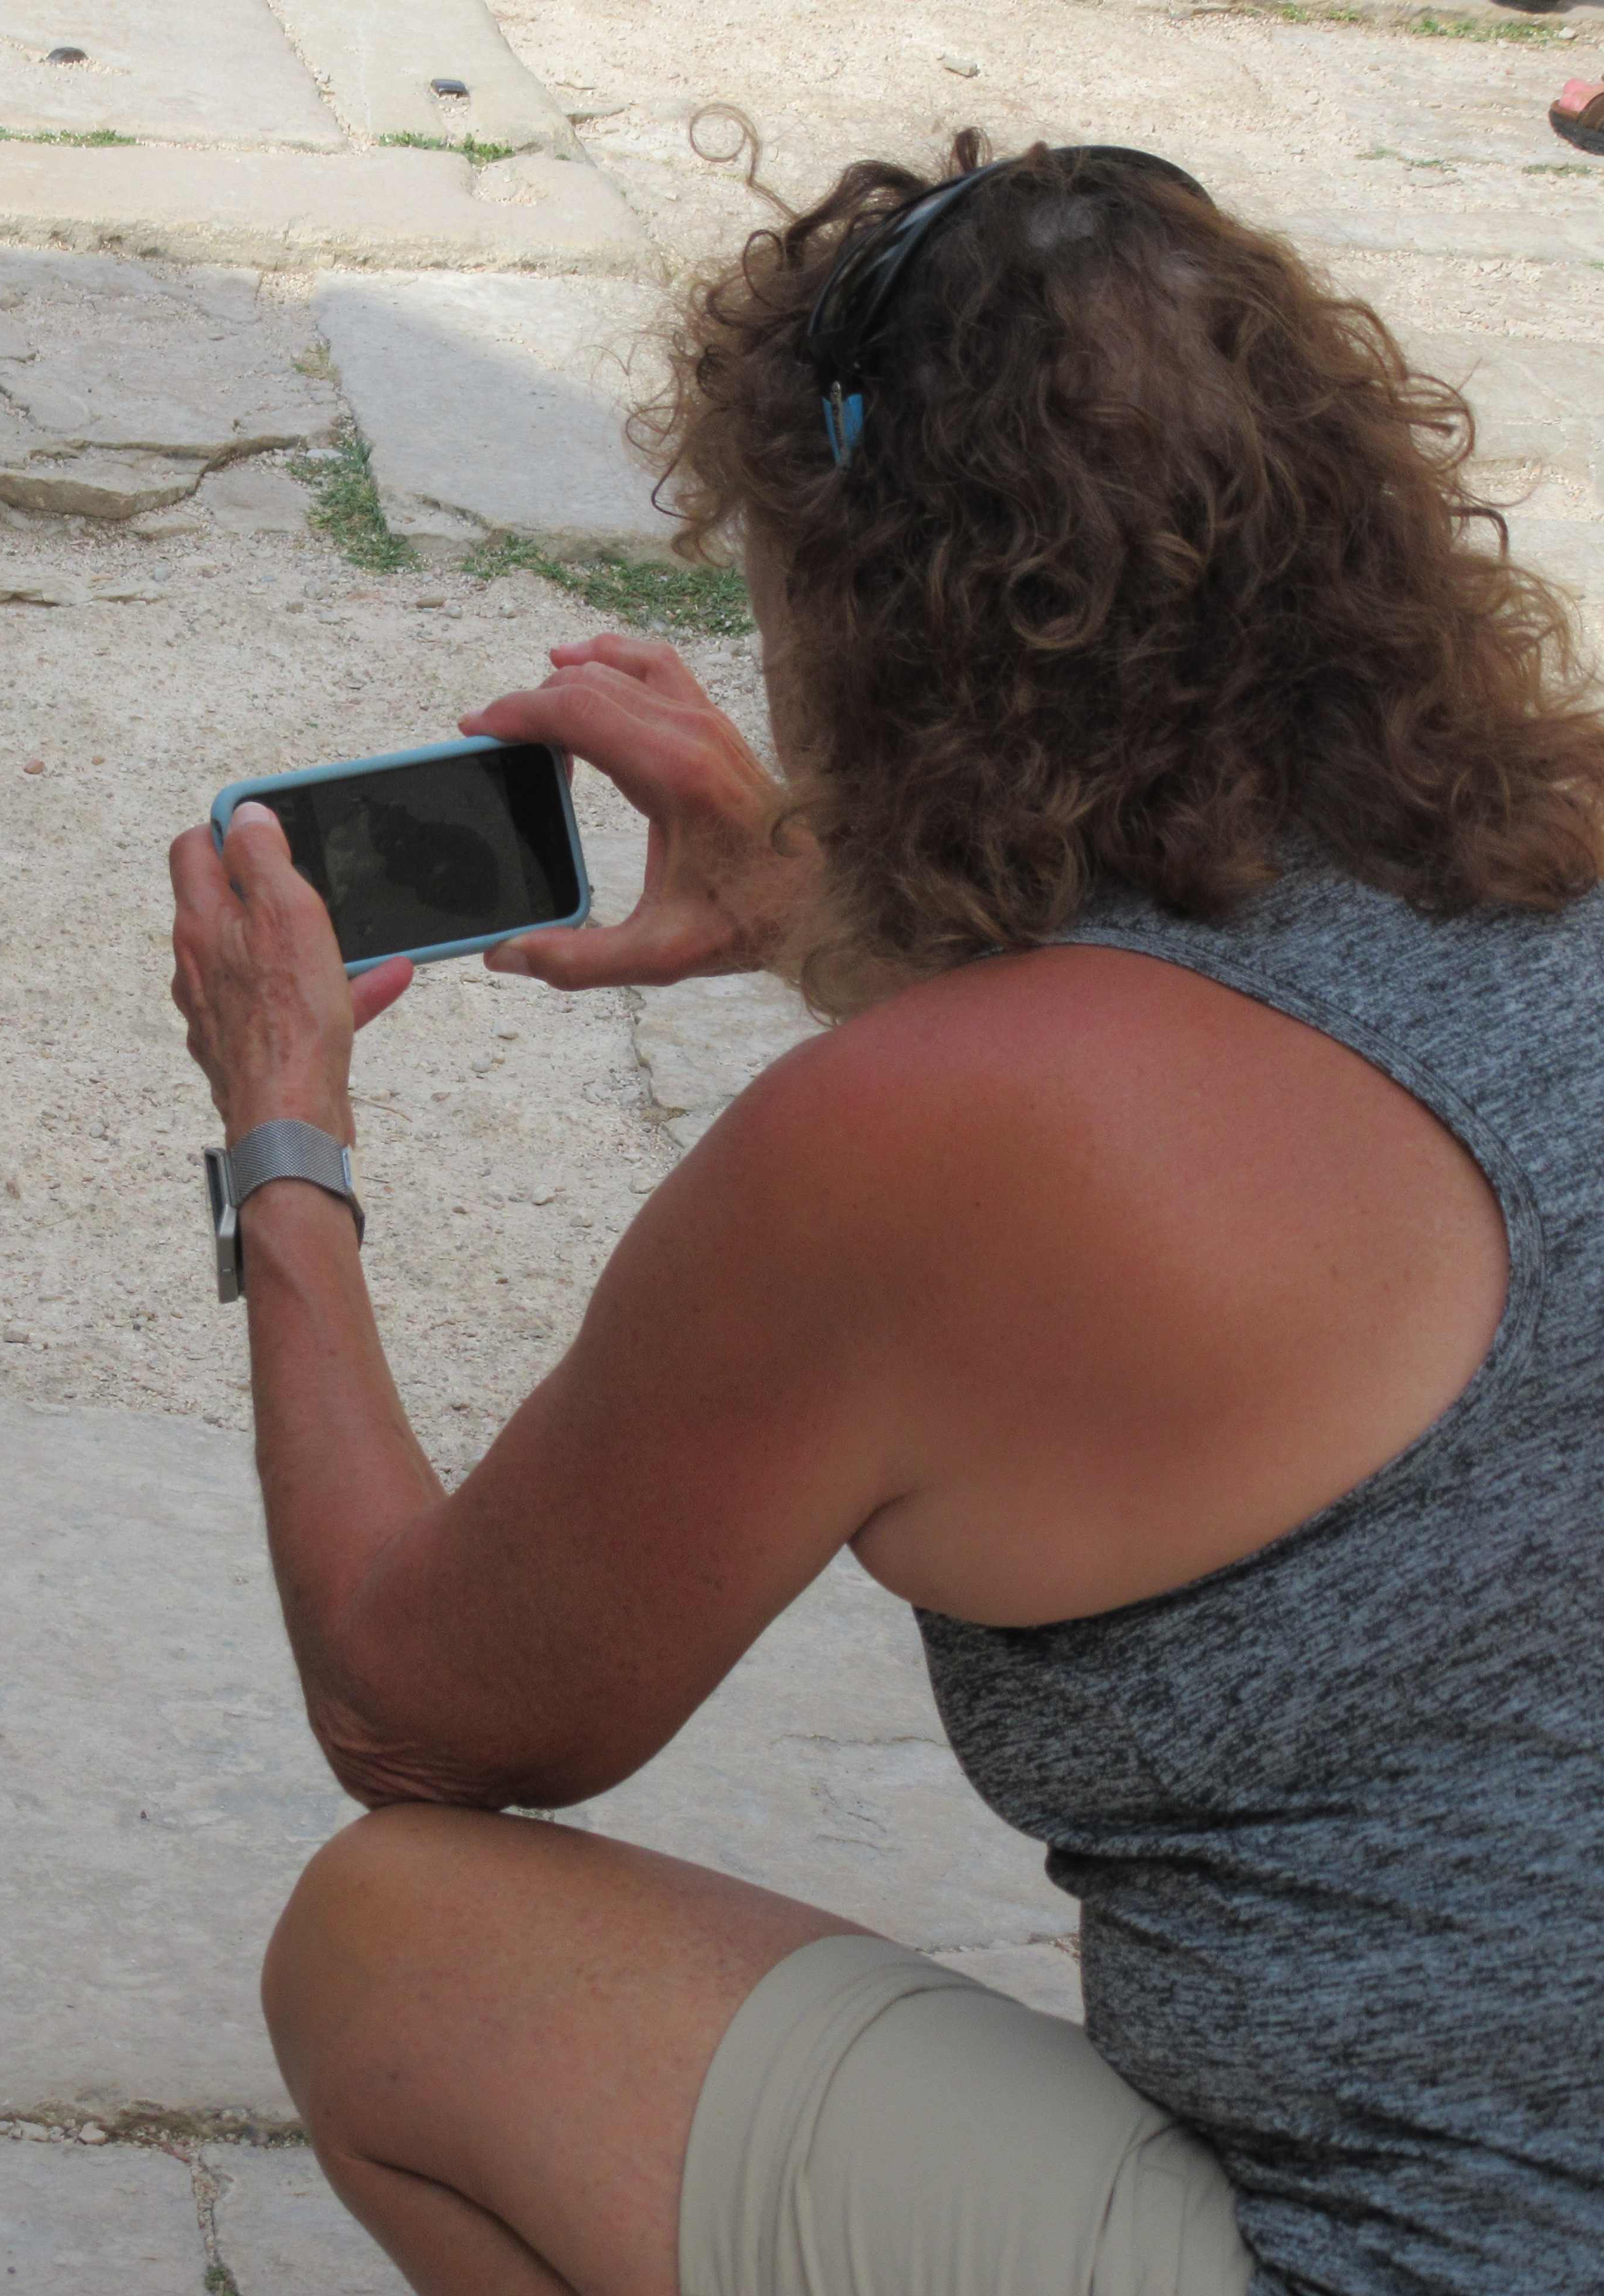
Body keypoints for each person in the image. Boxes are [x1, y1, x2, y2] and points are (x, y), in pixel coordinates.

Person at [167, 136, 1604, 2296]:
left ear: (857, 609)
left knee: (405, 1950)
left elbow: (423, 1712)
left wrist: (281, 1129)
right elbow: (1248, 1063)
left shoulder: (914, 1143)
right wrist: (819, 911)